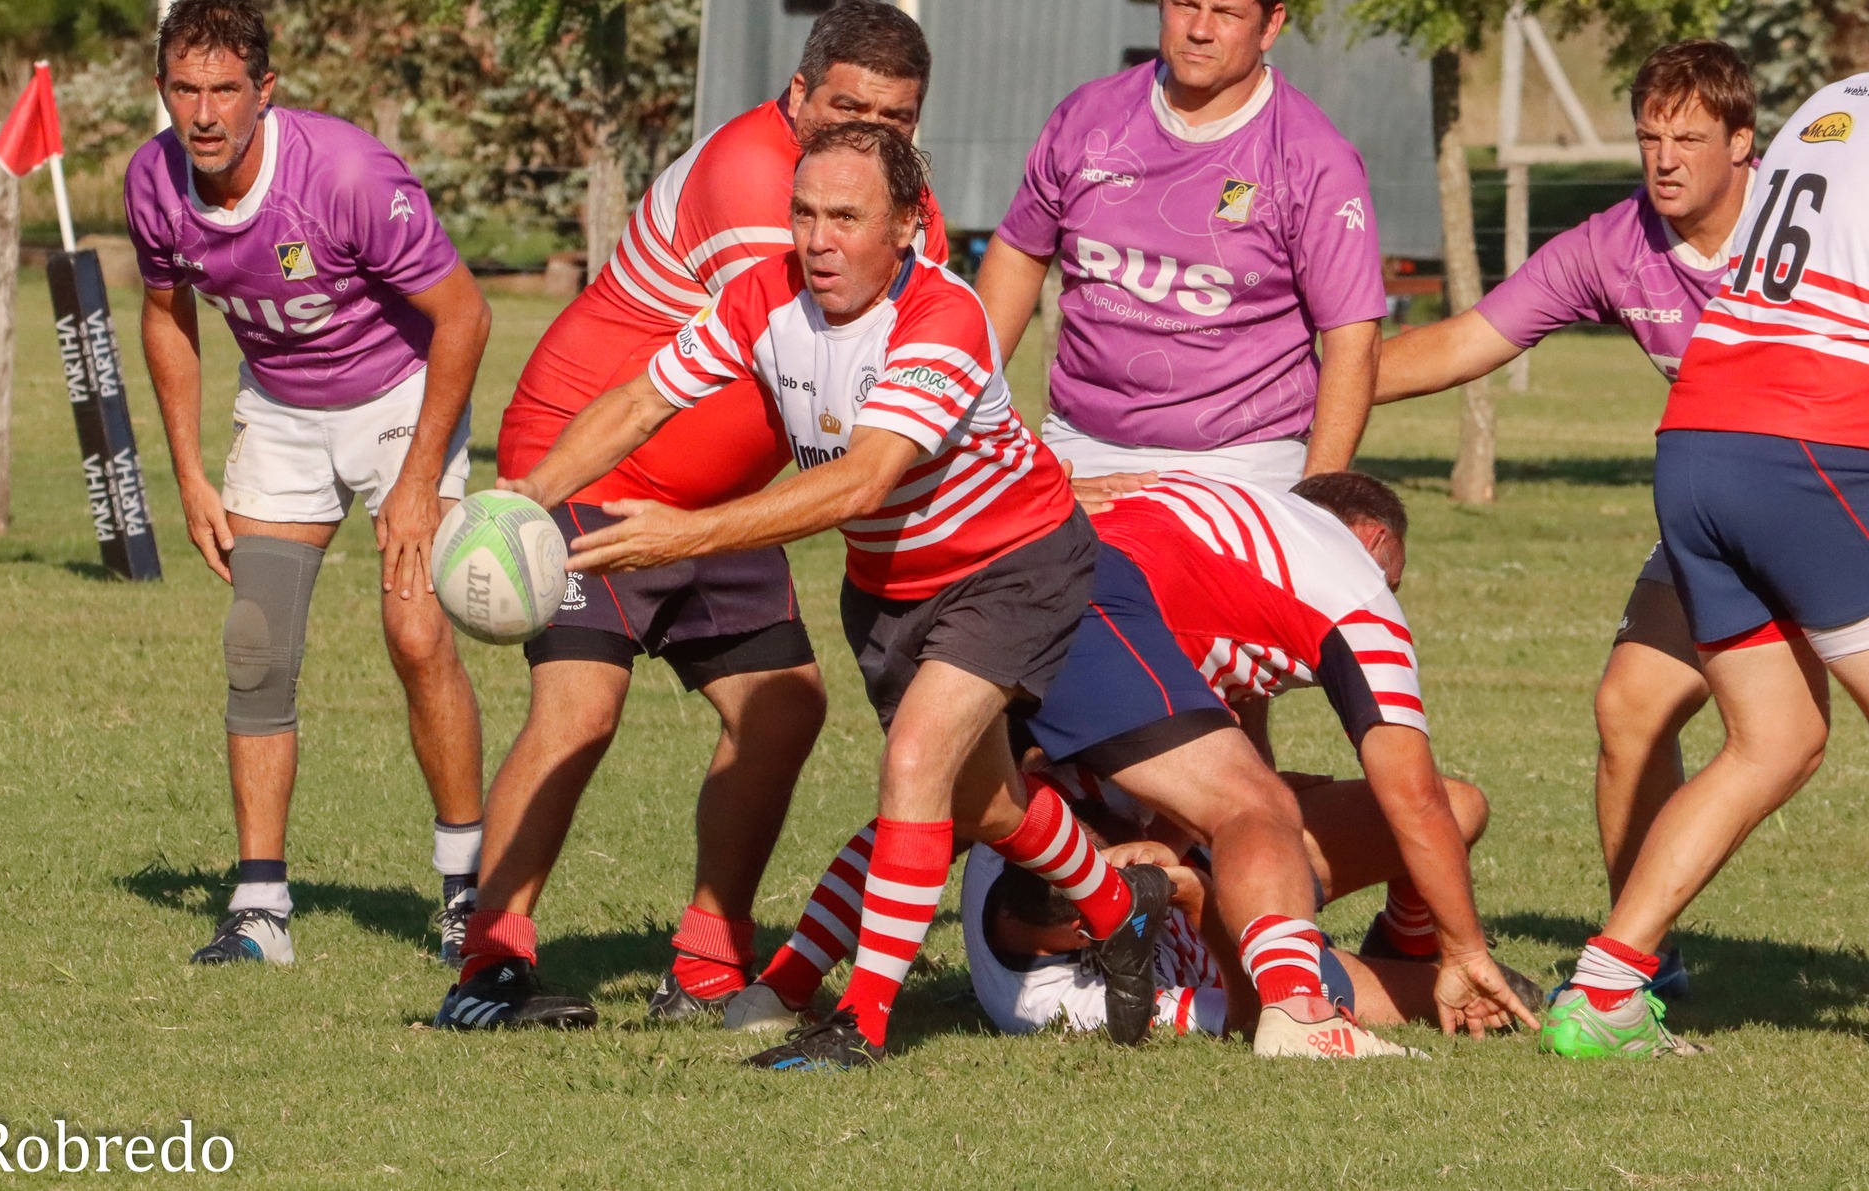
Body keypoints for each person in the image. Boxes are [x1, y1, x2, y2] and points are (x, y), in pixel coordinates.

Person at [439, 123, 1169, 1068]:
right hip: (892, 583)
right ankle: (1122, 908)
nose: (819, 240)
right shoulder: (762, 296)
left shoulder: (941, 321)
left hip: (1011, 564)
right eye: (805, 214)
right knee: (985, 803)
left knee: (914, 763)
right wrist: (526, 495)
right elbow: (638, 402)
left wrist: (684, 532)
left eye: (848, 218)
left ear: (908, 225)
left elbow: (860, 482)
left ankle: (857, 1026)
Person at [475, 2, 951, 1022]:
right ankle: (488, 963)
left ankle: (702, 959)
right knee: (580, 707)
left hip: (715, 499)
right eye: (844, 106)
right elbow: (821, 359)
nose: (865, 129)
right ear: (795, 98)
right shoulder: (758, 192)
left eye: (895, 116)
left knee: (780, 705)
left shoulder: (894, 200)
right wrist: (531, 497)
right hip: (588, 462)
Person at [732, 468, 1537, 1056]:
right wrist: (1465, 950)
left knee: (952, 802)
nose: (1396, 596)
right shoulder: (1357, 593)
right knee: (1266, 810)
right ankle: (1304, 1005)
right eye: (1396, 579)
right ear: (1376, 542)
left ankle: (786, 982)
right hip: (1084, 611)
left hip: (1003, 586)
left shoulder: (1225, 517)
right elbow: (1414, 798)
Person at [1377, 41, 1758, 997]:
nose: (1664, 159)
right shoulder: (1612, 243)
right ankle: (1639, 960)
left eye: (1690, 138)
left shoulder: (1817, 221)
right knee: (1629, 707)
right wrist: (1301, 388)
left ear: (1746, 143)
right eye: (1649, 137)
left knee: (1779, 740)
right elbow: (1467, 341)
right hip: (1722, 522)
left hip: (1839, 502)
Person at [127, 0, 492, 968]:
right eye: (183, 90)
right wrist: (193, 476)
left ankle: (467, 895)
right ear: (162, 90)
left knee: (417, 634)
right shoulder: (153, 181)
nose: (202, 114)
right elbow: (166, 317)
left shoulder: (345, 173)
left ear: (264, 92)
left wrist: (417, 481)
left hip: (397, 399)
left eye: (224, 91)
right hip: (281, 413)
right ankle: (259, 911)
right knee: (256, 649)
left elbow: (463, 318)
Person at [1542, 72, 1869, 1059]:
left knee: (1771, 739)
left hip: (1695, 439)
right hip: (1803, 441)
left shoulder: (1834, 100)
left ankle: (1603, 990)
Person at [971, 0, 1386, 493]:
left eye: (1226, 13)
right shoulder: (1088, 117)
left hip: (1243, 463)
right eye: (1184, 3)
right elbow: (1019, 254)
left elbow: (1354, 340)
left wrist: (1318, 500)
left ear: (1271, 24)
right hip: (1078, 445)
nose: (1198, 29)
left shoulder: (1313, 158)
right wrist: (965, 413)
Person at [962, 762, 1541, 1046]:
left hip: (1230, 857)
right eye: (1096, 924)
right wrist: (1197, 903)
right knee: (1488, 1002)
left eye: (1110, 871)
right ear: (1036, 932)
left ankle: (1402, 935)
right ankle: (1399, 965)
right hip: (1248, 967)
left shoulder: (1015, 836)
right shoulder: (1047, 1004)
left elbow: (1072, 758)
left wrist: (1238, 803)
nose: (1118, 912)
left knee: (1455, 810)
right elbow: (1242, 1016)